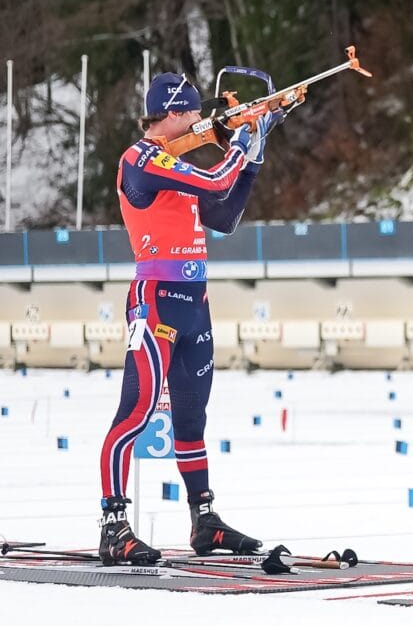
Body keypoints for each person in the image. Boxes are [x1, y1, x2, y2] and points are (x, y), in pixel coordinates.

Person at [97, 72, 297, 565]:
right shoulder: (143, 160)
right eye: (191, 115)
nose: (199, 124)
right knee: (136, 412)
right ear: (171, 113)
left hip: (194, 302)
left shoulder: (175, 168)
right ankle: (113, 525)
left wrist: (254, 156)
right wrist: (240, 145)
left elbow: (224, 215)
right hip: (157, 298)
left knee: (191, 418)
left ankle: (204, 520)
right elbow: (215, 179)